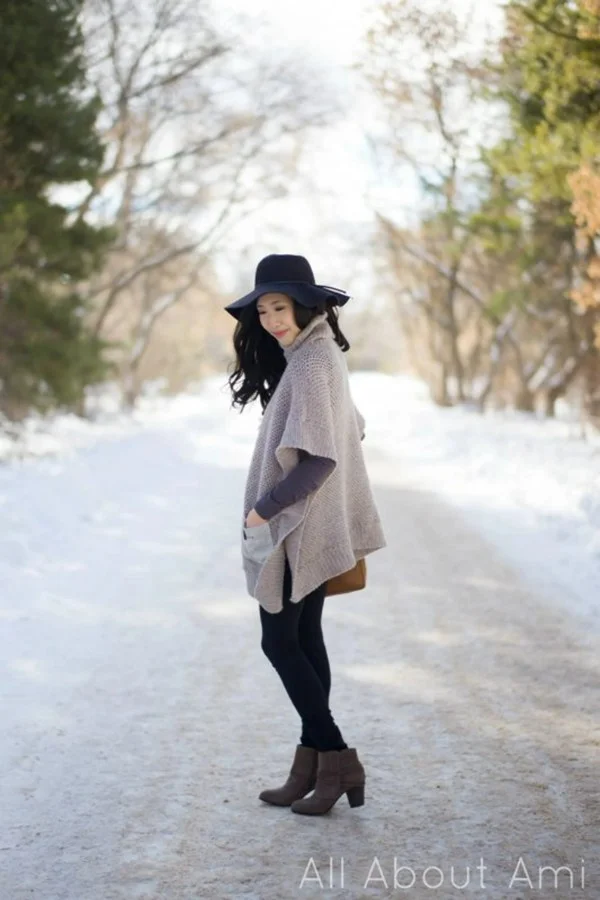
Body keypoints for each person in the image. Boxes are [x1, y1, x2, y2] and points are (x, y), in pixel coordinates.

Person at [224, 253, 387, 816]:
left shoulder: (313, 362)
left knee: (279, 641)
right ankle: (311, 761)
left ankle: (338, 757)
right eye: (263, 309)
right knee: (306, 637)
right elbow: (353, 427)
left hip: (297, 525)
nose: (271, 319)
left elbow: (319, 460)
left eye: (280, 306)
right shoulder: (312, 355)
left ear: (305, 304)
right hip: (308, 524)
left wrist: (263, 511)